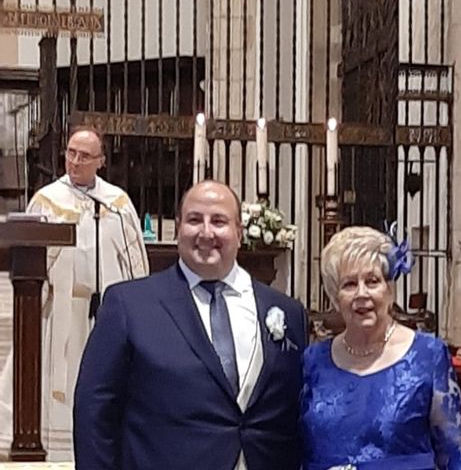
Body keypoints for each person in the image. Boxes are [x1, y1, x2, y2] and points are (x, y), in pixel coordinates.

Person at [73, 180, 308, 470]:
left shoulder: (287, 312)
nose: (206, 232)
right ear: (178, 228)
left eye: (219, 221)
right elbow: (94, 408)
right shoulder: (129, 305)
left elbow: (296, 412)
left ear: (239, 232)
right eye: (195, 220)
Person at [0, 127, 148, 460]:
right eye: (70, 153)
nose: (75, 162)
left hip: (106, 315)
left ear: (101, 161)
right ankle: (55, 451)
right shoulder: (48, 199)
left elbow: (135, 260)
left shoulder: (117, 203)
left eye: (84, 156)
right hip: (61, 311)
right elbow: (29, 254)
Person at [302, 226, 461, 470]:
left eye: (372, 281)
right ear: (335, 296)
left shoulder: (427, 355)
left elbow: (458, 451)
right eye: (350, 284)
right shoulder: (313, 360)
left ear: (389, 290)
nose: (361, 294)